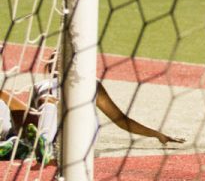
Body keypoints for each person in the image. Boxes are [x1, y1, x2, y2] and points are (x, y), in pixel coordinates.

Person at [0, 51, 185, 163]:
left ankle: (37, 145)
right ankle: (20, 144)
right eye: (54, 55)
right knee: (6, 98)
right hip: (47, 132)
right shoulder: (40, 85)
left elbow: (121, 120)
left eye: (62, 54)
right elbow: (28, 119)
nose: (57, 57)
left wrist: (157, 134)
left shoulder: (89, 84)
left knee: (46, 101)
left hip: (80, 138)